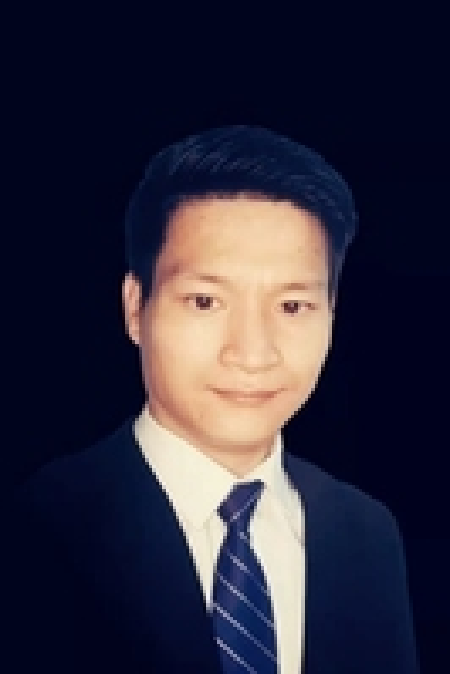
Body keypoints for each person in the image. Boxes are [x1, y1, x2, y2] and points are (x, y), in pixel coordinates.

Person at [3, 125, 420, 672]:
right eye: (205, 301)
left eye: (292, 307)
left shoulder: (367, 534)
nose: (252, 352)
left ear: (331, 315)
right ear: (135, 307)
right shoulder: (39, 528)